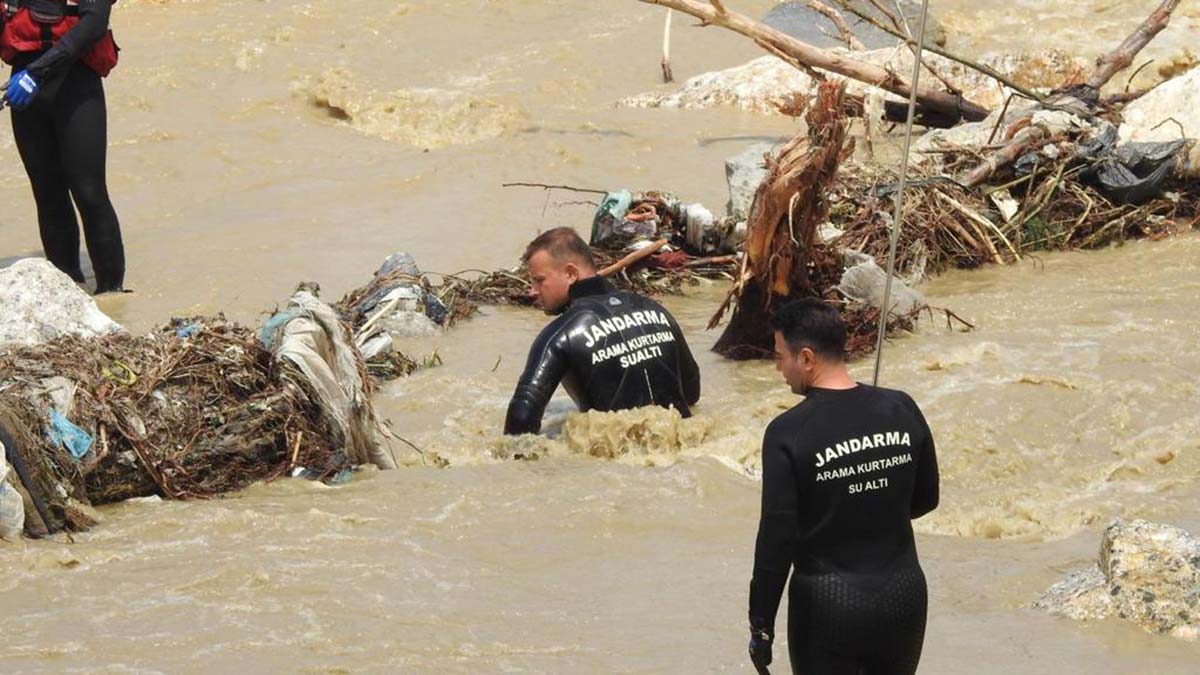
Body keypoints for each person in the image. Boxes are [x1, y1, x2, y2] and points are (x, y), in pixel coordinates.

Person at [747, 298, 939, 674]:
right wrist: (872, 506)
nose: (778, 368)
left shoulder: (787, 433)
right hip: (904, 599)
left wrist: (761, 625)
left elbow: (777, 539)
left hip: (828, 606)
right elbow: (926, 499)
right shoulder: (901, 406)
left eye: (779, 356)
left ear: (806, 358)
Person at [504, 227, 700, 435]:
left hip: (616, 462)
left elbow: (522, 417)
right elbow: (691, 393)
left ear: (570, 274)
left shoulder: (560, 334)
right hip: (679, 447)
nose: (532, 290)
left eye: (539, 280)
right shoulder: (654, 309)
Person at [1, 0, 125, 293]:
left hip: (75, 83)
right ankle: (66, 291)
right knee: (47, 194)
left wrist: (37, 73)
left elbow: (93, 25)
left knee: (89, 192)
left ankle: (111, 297)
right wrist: (29, 75)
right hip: (24, 87)